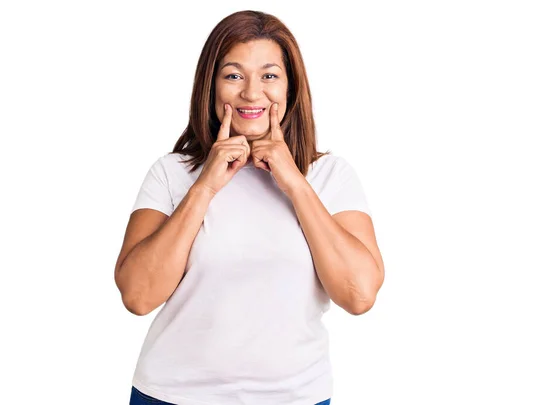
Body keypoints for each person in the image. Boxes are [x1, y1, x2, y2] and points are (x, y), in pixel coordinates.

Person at [114, 9, 384, 405]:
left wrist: (293, 180)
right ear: (212, 86)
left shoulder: (330, 176)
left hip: (294, 397)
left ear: (290, 86)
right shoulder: (172, 173)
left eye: (269, 75)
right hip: (172, 395)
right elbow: (137, 296)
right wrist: (205, 186)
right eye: (234, 75)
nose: (252, 93)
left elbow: (359, 295)